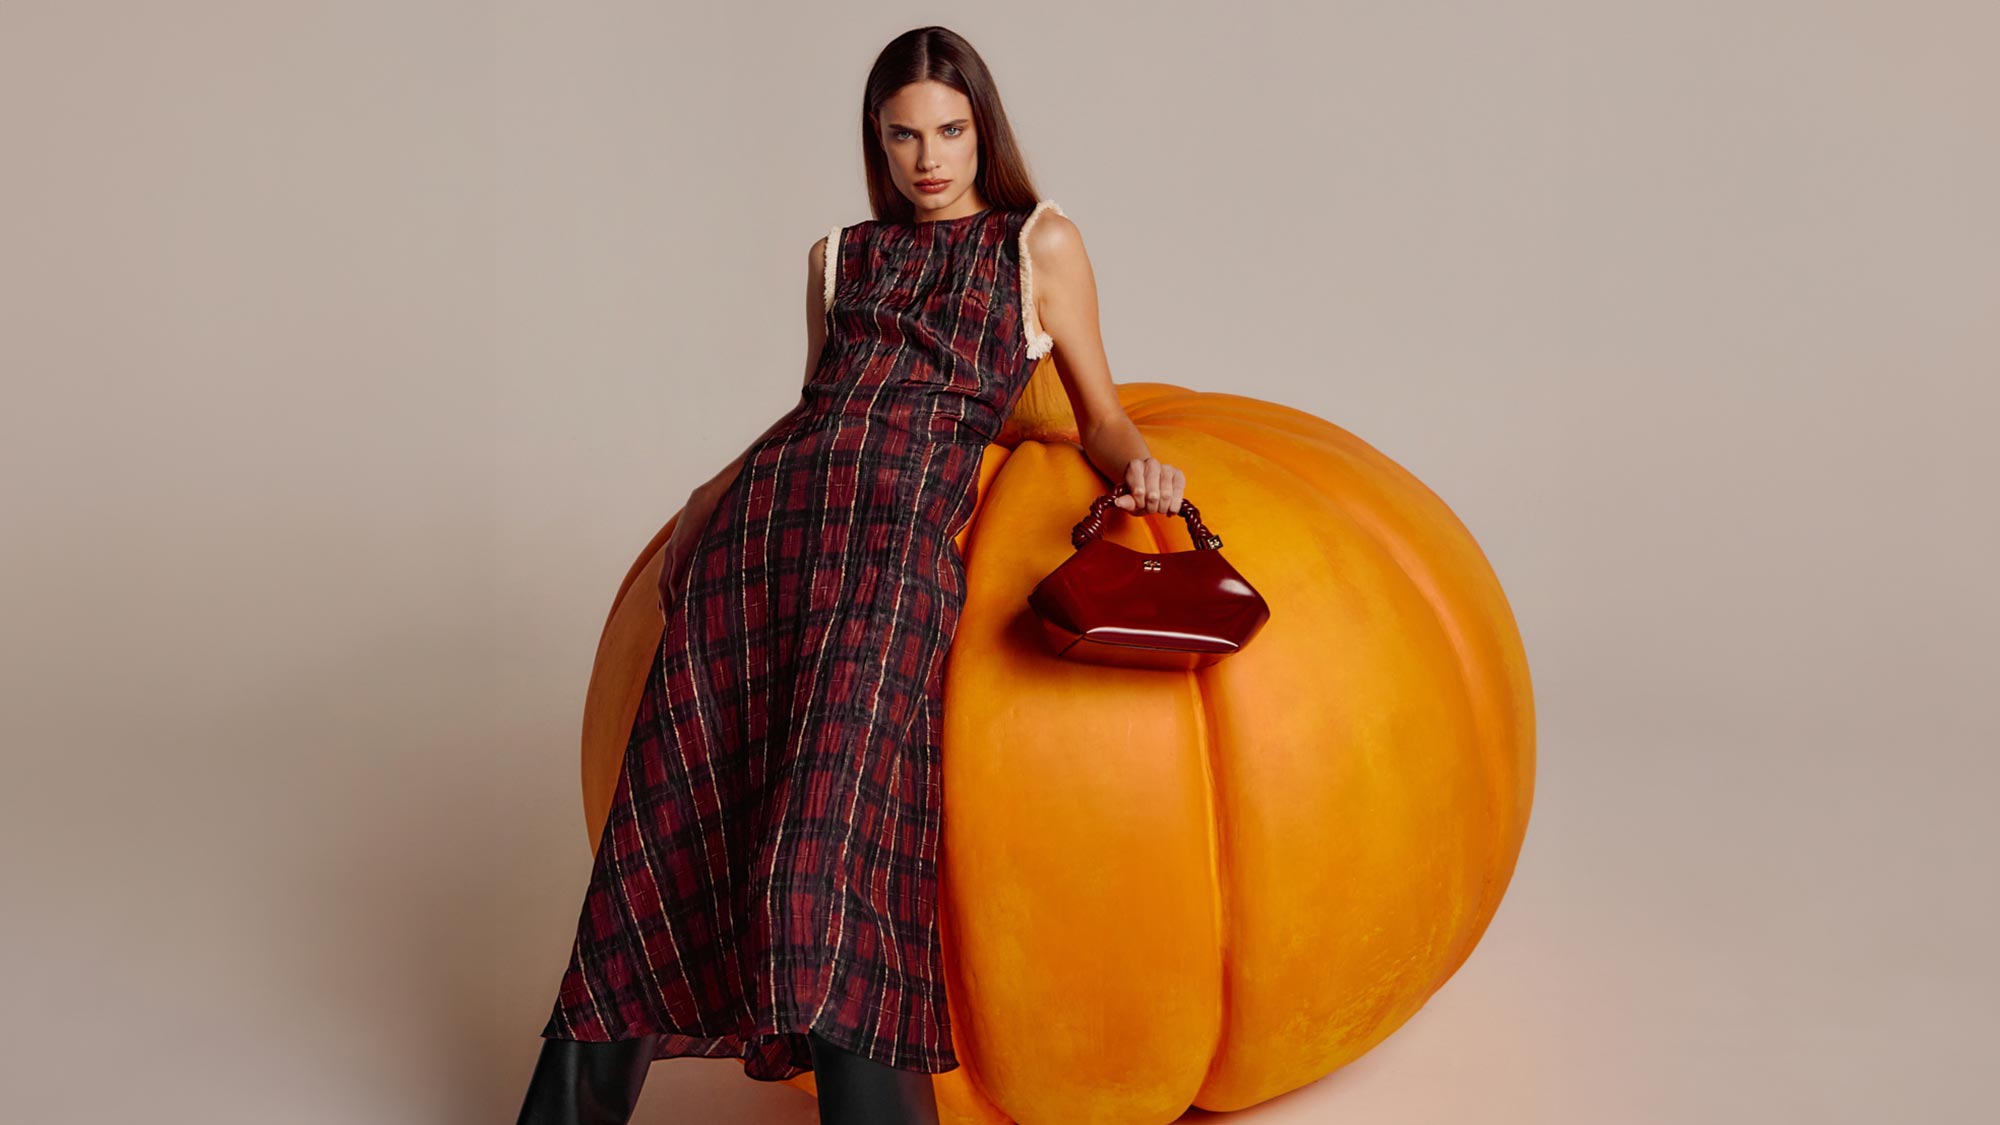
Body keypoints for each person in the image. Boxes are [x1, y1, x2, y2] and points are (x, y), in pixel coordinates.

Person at [515, 25, 1188, 1125]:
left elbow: (1099, 412)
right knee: (663, 827)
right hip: (766, 541)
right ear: (876, 142)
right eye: (903, 135)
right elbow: (818, 407)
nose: (929, 159)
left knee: (825, 860)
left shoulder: (1037, 245)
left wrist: (1142, 468)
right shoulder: (841, 257)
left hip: (891, 565)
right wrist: (709, 497)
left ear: (983, 132)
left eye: (951, 132)